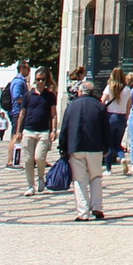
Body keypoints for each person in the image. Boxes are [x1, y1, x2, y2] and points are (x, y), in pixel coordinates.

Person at [59, 77, 110, 221]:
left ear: (81, 91)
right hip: (95, 147)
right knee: (96, 178)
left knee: (79, 180)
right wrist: (106, 147)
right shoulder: (100, 106)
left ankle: (82, 212)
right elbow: (106, 129)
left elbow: (65, 128)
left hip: (76, 147)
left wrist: (63, 147)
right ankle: (97, 208)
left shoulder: (72, 106)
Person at [15, 69, 59, 193]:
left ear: (46, 80)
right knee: (28, 160)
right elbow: (22, 114)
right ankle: (30, 185)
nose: (40, 82)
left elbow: (53, 115)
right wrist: (18, 131)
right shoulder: (28, 95)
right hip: (28, 130)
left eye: (42, 79)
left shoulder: (50, 96)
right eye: (38, 79)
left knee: (40, 157)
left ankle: (40, 177)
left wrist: (53, 130)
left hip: (43, 131)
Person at [2, 62, 32, 167]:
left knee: (17, 136)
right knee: (15, 136)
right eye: (27, 68)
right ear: (22, 69)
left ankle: (14, 159)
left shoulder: (20, 81)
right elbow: (16, 96)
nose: (29, 71)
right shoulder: (19, 82)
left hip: (18, 112)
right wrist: (28, 99)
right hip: (17, 112)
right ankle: (10, 160)